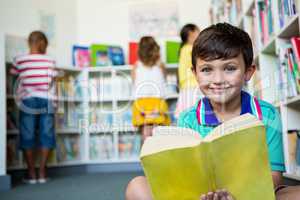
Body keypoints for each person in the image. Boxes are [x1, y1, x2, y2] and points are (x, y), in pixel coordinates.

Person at [125, 23, 300, 200]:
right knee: (137, 186)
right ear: (195, 74)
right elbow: (184, 176)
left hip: (250, 195)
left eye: (230, 68)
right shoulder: (188, 119)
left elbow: (274, 177)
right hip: (200, 196)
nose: (218, 79)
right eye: (207, 69)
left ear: (248, 72)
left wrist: (237, 194)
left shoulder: (267, 115)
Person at [11, 31, 59, 184]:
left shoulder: (19, 60)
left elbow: (14, 80)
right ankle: (42, 172)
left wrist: (16, 99)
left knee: (28, 134)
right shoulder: (50, 61)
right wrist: (56, 103)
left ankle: (31, 173)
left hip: (27, 100)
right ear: (42, 43)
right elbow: (53, 84)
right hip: (47, 100)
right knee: (47, 134)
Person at [132, 36, 170, 142]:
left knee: (146, 132)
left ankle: (146, 155)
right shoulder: (160, 65)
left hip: (142, 102)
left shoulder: (136, 66)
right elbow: (164, 80)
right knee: (158, 132)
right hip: (157, 102)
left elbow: (134, 83)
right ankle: (157, 156)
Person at [175, 23, 201, 119]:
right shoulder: (190, 49)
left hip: (187, 86)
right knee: (194, 111)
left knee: (189, 111)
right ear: (191, 34)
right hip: (192, 85)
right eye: (199, 32)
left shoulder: (184, 49)